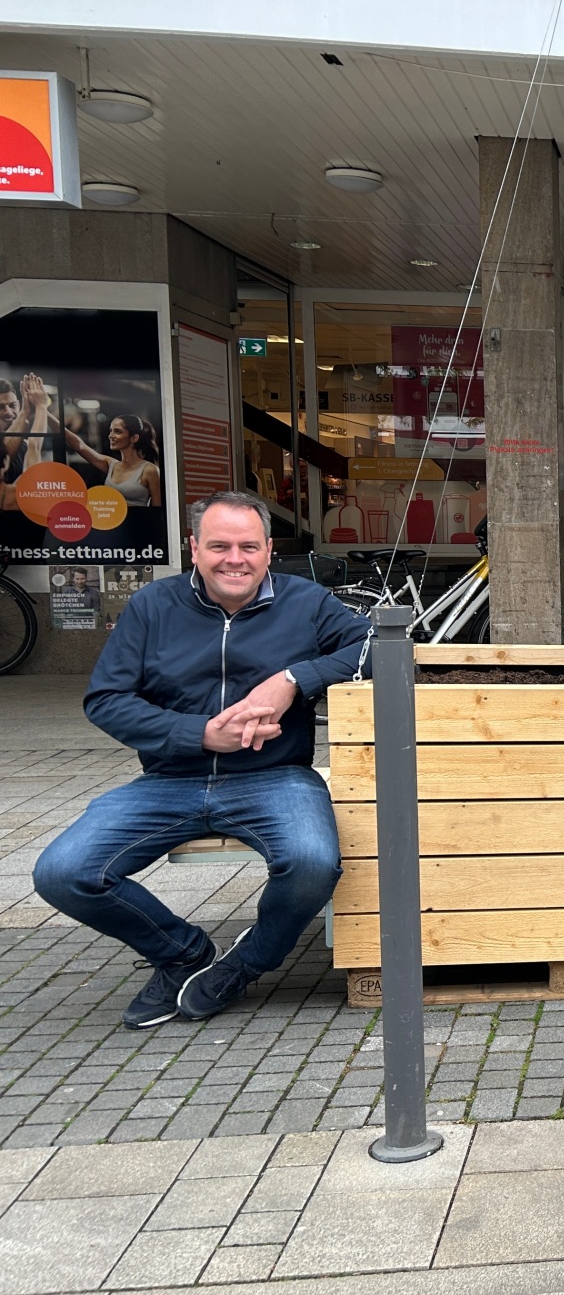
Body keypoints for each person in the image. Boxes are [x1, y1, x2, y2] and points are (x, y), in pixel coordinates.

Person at [33, 491, 372, 1028]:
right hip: (169, 779)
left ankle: (246, 963)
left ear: (267, 550)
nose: (234, 558)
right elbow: (106, 699)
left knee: (313, 864)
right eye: (219, 545)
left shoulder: (306, 602)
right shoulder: (152, 605)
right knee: (63, 872)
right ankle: (182, 955)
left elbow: (382, 646)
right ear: (194, 548)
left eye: (248, 546)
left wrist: (293, 679)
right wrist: (198, 735)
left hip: (275, 777)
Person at [67, 412, 164, 508]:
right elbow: (79, 446)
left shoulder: (150, 470)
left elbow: (158, 510)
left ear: (134, 438)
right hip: (112, 522)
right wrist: (51, 418)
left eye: (117, 431)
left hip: (138, 522)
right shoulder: (111, 464)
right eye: (111, 431)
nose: (111, 436)